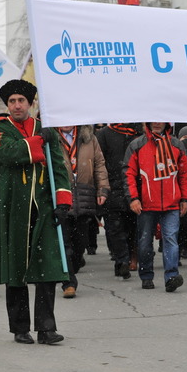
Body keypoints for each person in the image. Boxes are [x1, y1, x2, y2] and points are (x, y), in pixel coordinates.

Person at [0, 79, 72, 345]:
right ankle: (20, 328)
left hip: (43, 207)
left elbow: (58, 166)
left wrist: (62, 199)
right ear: (7, 105)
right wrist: (37, 142)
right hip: (11, 207)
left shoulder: (45, 129)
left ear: (30, 103)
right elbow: (9, 153)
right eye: (12, 101)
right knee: (15, 268)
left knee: (48, 268)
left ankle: (46, 328)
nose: (17, 105)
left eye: (21, 100)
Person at [124, 122, 187, 292]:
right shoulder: (137, 145)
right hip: (146, 204)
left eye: (160, 119)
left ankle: (171, 277)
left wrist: (184, 198)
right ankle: (146, 275)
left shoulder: (176, 144)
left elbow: (184, 174)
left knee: (171, 239)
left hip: (172, 203)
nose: (156, 123)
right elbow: (128, 174)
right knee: (145, 242)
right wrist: (133, 198)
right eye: (153, 119)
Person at [54, 124, 109, 297]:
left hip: (85, 193)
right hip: (63, 194)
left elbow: (99, 163)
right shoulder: (51, 138)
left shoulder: (89, 138)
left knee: (80, 242)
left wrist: (102, 189)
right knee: (64, 243)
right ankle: (68, 282)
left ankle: (74, 264)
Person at [96, 122, 141, 280]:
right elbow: (99, 162)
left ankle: (131, 257)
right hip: (112, 187)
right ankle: (122, 260)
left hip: (135, 187)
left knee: (133, 226)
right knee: (115, 228)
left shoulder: (138, 132)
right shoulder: (104, 134)